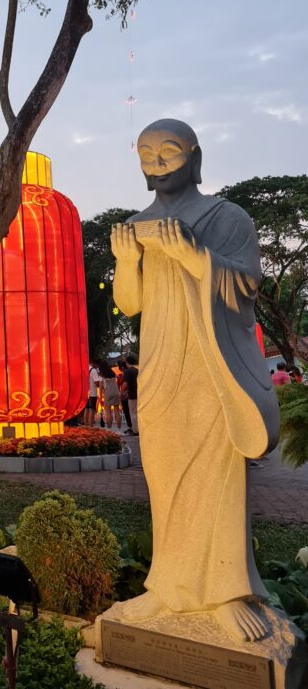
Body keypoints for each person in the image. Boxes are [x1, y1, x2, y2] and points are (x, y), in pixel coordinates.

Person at [109, 118, 279, 643]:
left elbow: (247, 284)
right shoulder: (136, 225)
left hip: (210, 365)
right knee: (164, 479)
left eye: (169, 152)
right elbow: (130, 304)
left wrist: (194, 256)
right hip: (161, 364)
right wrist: (125, 261)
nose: (157, 163)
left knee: (217, 477)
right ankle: (167, 587)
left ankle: (227, 593)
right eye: (146, 154)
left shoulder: (227, 217)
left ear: (195, 158)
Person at [97, 360, 122, 429]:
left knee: (108, 412)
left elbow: (101, 387)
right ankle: (119, 430)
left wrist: (100, 398)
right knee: (117, 411)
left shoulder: (101, 375)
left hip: (108, 393)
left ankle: (109, 429)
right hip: (115, 392)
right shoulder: (113, 373)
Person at [84, 361, 101, 426]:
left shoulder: (85, 368)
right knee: (92, 408)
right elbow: (96, 383)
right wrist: (100, 384)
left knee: (86, 408)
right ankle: (91, 424)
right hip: (92, 392)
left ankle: (86, 424)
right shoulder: (93, 370)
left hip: (85, 393)